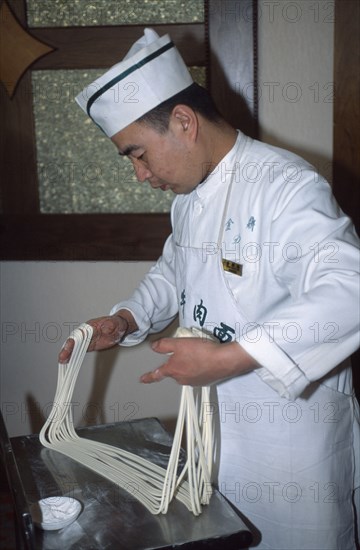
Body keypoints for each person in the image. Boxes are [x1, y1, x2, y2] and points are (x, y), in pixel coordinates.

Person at [60, 29, 360, 549]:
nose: (139, 174)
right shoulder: (190, 196)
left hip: (291, 439)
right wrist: (127, 318)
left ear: (183, 122)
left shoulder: (286, 186)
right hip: (218, 430)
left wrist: (232, 358)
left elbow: (349, 288)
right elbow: (174, 273)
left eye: (138, 154)